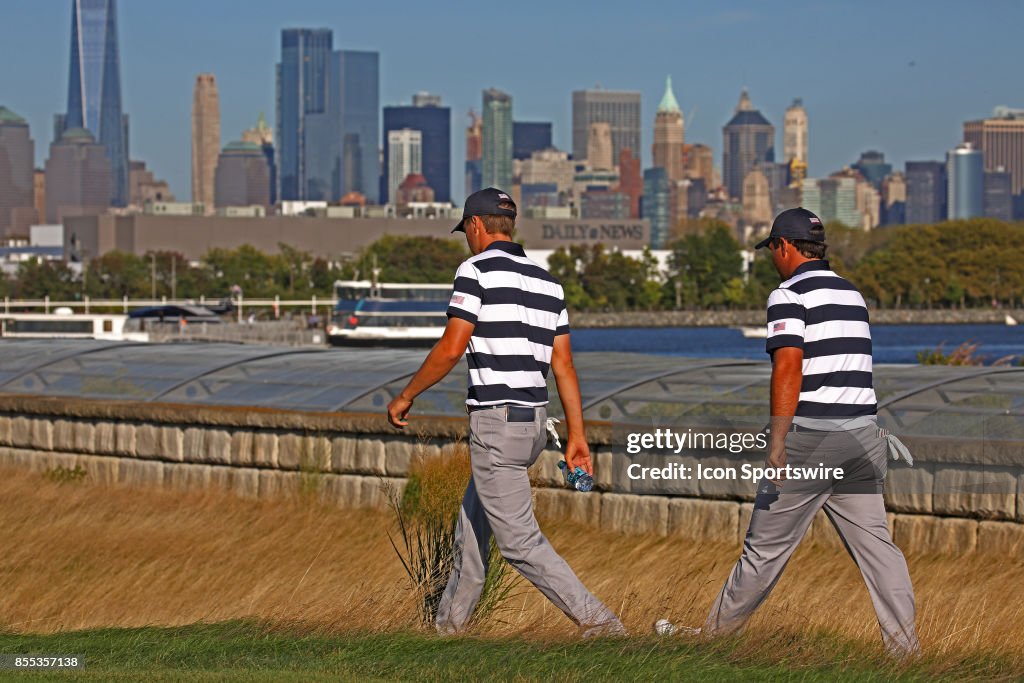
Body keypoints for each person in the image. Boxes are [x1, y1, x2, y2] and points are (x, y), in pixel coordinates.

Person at [657, 207, 920, 655]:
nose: (772, 261)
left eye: (772, 251)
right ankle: (906, 652)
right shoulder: (853, 295)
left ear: (784, 246)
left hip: (812, 438)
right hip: (863, 436)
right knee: (880, 551)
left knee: (764, 550)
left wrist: (777, 442)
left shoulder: (788, 294)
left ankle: (712, 641)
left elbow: (789, 366)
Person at [386, 187, 624, 637]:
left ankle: (602, 626)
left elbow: (451, 347)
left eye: (466, 232)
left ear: (476, 225)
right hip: (534, 424)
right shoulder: (547, 281)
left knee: (520, 542)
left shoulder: (474, 272)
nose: (466, 240)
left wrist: (407, 394)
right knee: (472, 532)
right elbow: (565, 366)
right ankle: (448, 631)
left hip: (497, 422)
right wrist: (577, 437)